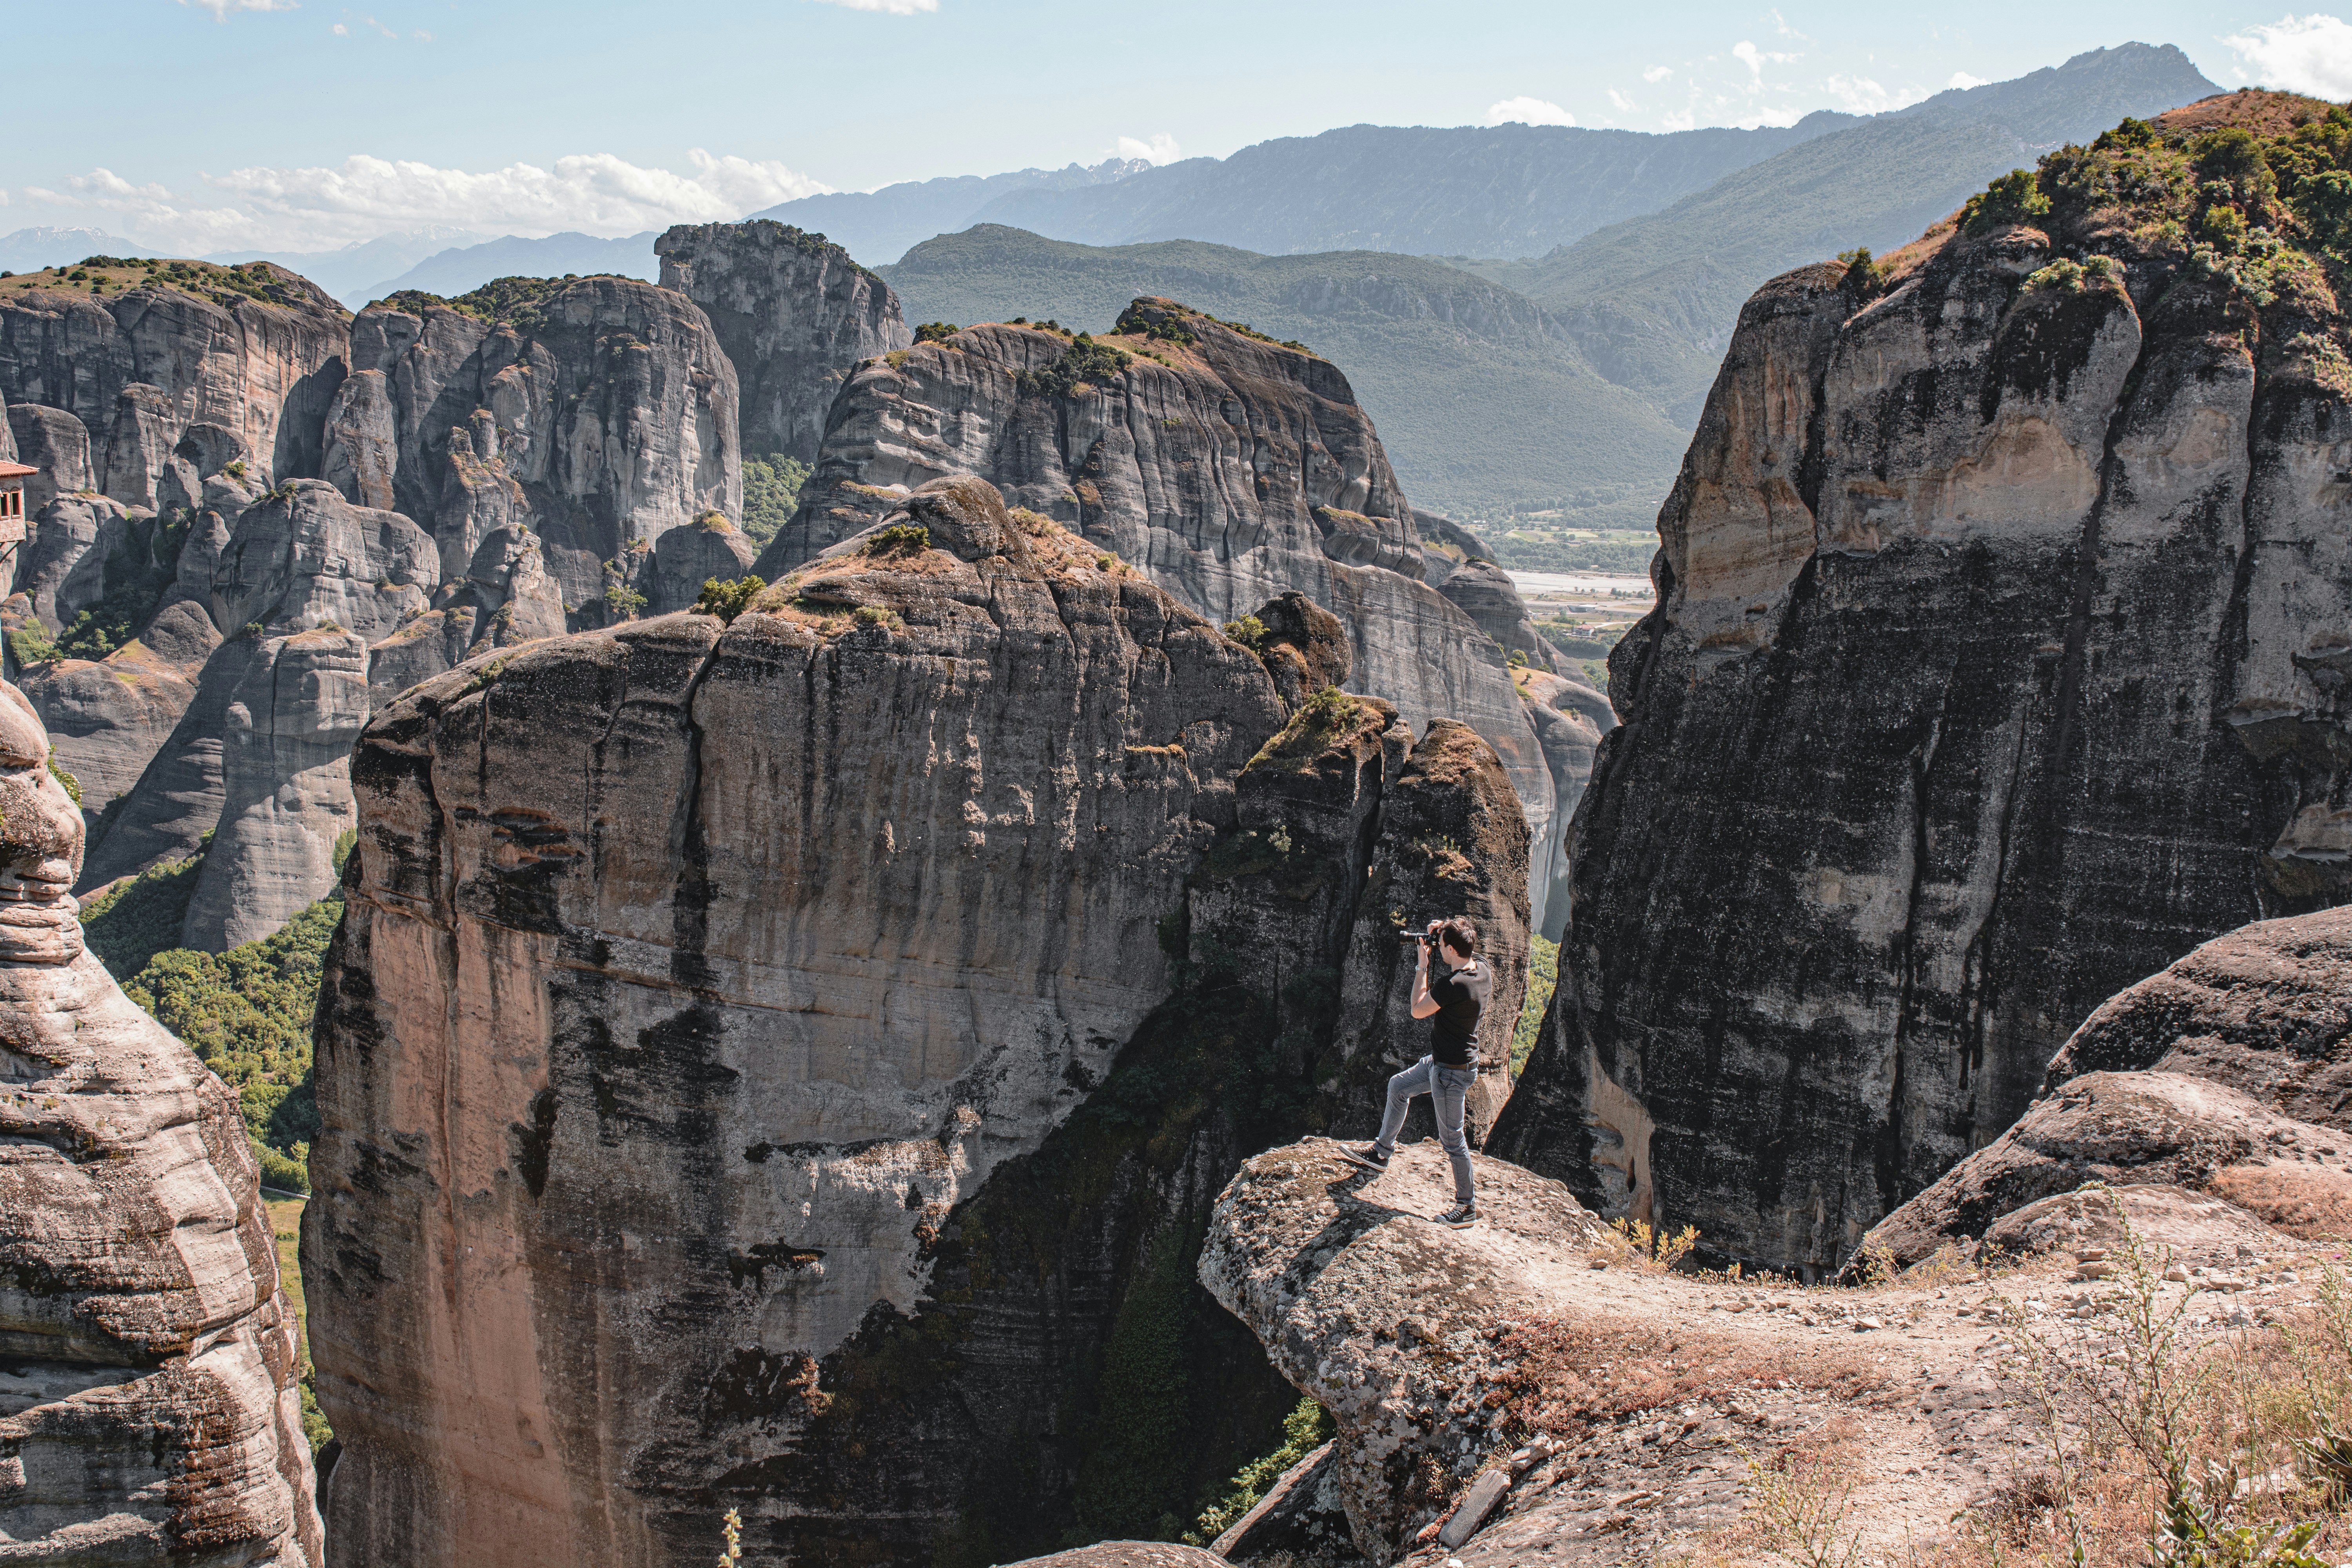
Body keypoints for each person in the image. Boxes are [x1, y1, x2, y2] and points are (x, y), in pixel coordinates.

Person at [1343, 916, 1491, 1227]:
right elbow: (1465, 947)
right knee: (1398, 1086)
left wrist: (1422, 965)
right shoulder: (1481, 970)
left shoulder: (1453, 986)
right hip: (1444, 1062)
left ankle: (1467, 1207)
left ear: (1450, 949)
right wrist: (1445, 928)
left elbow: (1417, 1009)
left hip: (1450, 1073)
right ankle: (1381, 1153)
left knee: (1452, 1140)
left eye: (1441, 946)